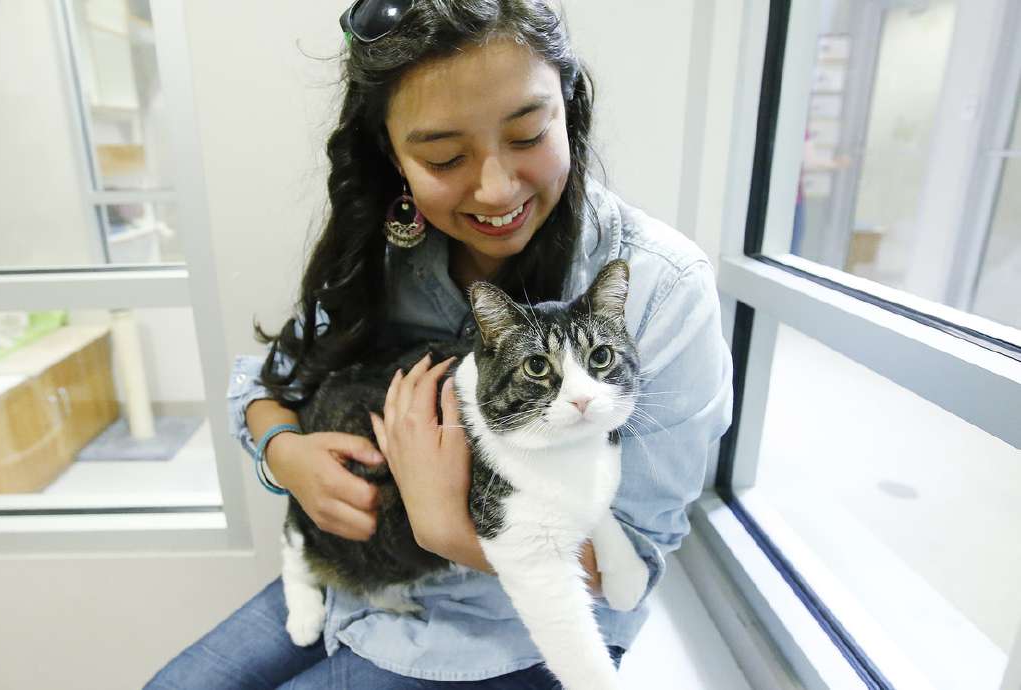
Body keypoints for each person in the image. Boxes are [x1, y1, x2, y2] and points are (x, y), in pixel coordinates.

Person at [145, 0, 732, 687]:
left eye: (528, 133)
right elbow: (270, 384)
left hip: (509, 631)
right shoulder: (387, 251)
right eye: (445, 156)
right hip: (351, 579)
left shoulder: (663, 287)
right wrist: (286, 454)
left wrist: (445, 521)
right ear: (391, 157)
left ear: (567, 106)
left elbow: (631, 561)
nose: (496, 187)